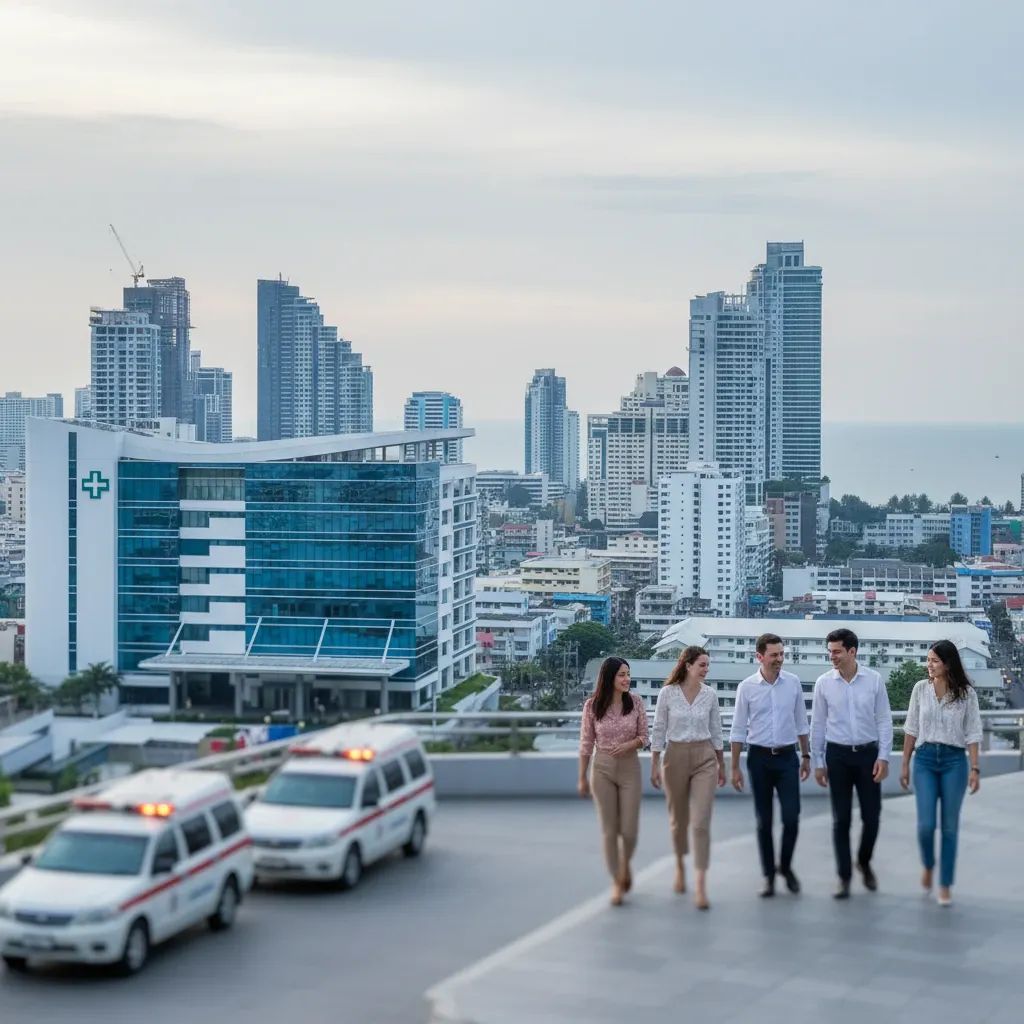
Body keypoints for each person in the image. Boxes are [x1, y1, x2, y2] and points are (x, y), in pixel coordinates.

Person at [811, 627, 893, 899]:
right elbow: (818, 725)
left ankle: (864, 861)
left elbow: (883, 720)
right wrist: (818, 761)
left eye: (836, 651)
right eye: (830, 651)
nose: (831, 656)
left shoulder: (874, 680)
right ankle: (844, 877)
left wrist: (883, 756)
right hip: (838, 756)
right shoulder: (823, 683)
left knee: (872, 817)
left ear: (852, 651)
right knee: (841, 819)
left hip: (868, 755)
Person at [900, 640, 983, 907]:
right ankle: (928, 864)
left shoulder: (966, 694)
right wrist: (904, 763)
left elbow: (973, 732)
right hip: (924, 760)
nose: (929, 665)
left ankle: (945, 883)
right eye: (928, 660)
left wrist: (975, 768)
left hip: (954, 762)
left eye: (934, 660)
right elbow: (911, 727)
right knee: (926, 826)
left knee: (949, 828)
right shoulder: (920, 690)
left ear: (947, 664)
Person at [730, 633, 811, 897]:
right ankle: (768, 876)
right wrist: (734, 768)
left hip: (788, 757)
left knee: (792, 818)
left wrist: (806, 755)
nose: (779, 659)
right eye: (774, 655)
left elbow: (801, 722)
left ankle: (785, 867)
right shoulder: (747, 687)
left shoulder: (793, 683)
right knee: (764, 822)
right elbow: (738, 729)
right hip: (759, 759)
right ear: (760, 656)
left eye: (781, 654)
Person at [650, 645, 725, 910]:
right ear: (688, 665)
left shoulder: (711, 695)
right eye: (702, 665)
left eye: (708, 665)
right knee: (678, 821)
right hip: (676, 756)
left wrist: (722, 764)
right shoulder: (667, 694)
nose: (707, 669)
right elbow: (658, 729)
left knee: (701, 822)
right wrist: (655, 763)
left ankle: (701, 884)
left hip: (705, 756)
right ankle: (680, 866)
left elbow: (716, 730)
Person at [578, 657, 649, 906]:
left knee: (628, 831)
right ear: (609, 678)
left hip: (630, 768)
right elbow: (586, 743)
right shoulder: (592, 706)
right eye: (621, 674)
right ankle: (618, 881)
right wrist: (582, 777)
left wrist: (630, 744)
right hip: (603, 769)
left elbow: (645, 737)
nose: (626, 679)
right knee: (610, 831)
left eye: (628, 674)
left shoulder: (637, 703)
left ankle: (624, 864)